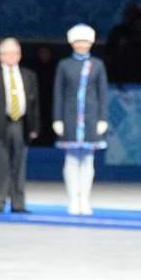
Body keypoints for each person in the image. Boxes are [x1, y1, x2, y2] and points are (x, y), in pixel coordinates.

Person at [0, 38, 40, 214]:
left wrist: (34, 127)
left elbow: (34, 104)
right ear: (0, 55)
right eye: (8, 53)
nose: (12, 56)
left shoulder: (28, 75)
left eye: (15, 53)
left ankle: (18, 204)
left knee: (19, 166)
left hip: (21, 125)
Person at [52, 24, 110, 216]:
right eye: (78, 41)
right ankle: (72, 199)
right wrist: (57, 118)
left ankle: (84, 199)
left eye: (85, 41)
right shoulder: (64, 65)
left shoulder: (98, 65)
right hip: (70, 118)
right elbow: (58, 93)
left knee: (87, 161)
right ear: (72, 43)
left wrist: (102, 118)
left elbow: (103, 94)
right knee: (71, 160)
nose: (82, 45)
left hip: (91, 118)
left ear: (91, 43)